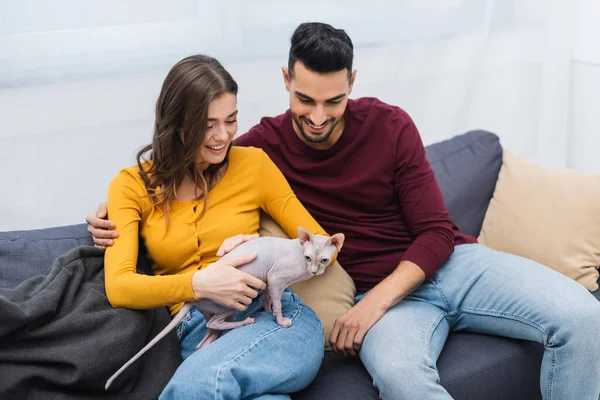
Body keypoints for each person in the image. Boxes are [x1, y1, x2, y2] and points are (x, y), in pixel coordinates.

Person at [88, 23, 600, 399]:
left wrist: (364, 299)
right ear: (286, 79)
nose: (317, 117)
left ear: (352, 82)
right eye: (305, 99)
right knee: (403, 380)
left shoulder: (384, 127)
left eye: (332, 102)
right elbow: (192, 165)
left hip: (445, 270)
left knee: (583, 316)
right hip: (383, 307)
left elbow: (433, 233)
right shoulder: (253, 147)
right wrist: (117, 208)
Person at [99, 54, 328, 400]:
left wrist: (261, 243)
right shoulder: (131, 186)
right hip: (201, 332)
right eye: (208, 124)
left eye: (231, 120)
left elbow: (325, 248)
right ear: (177, 123)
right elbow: (118, 287)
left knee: (200, 385)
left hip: (278, 320)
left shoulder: (255, 165)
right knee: (217, 386)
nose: (223, 136)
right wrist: (197, 283)